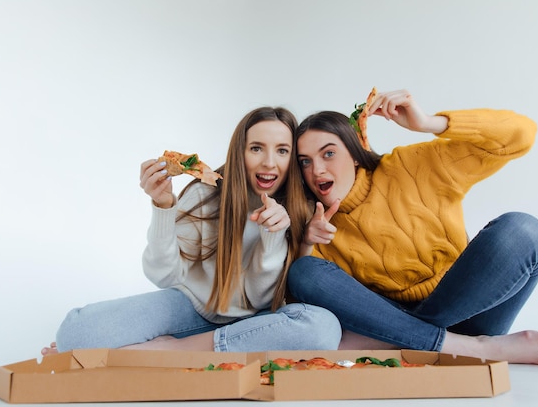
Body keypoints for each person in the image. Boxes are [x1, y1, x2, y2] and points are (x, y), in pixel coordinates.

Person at [287, 89, 538, 366]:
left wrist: (429, 123)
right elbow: (305, 309)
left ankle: (406, 339)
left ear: (356, 152)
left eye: (328, 154)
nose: (317, 171)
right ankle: (474, 348)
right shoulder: (316, 225)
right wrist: (307, 245)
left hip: (471, 312)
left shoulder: (412, 165)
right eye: (305, 162)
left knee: (524, 230)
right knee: (303, 271)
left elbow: (521, 134)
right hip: (416, 322)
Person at [41, 106, 341, 355]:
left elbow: (259, 298)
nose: (268, 163)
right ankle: (181, 348)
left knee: (322, 327)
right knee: (76, 332)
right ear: (240, 152)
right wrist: (163, 206)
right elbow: (163, 276)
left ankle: (176, 350)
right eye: (256, 148)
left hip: (258, 320)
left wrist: (274, 236)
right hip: (193, 309)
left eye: (282, 151)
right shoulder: (205, 194)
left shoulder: (301, 208)